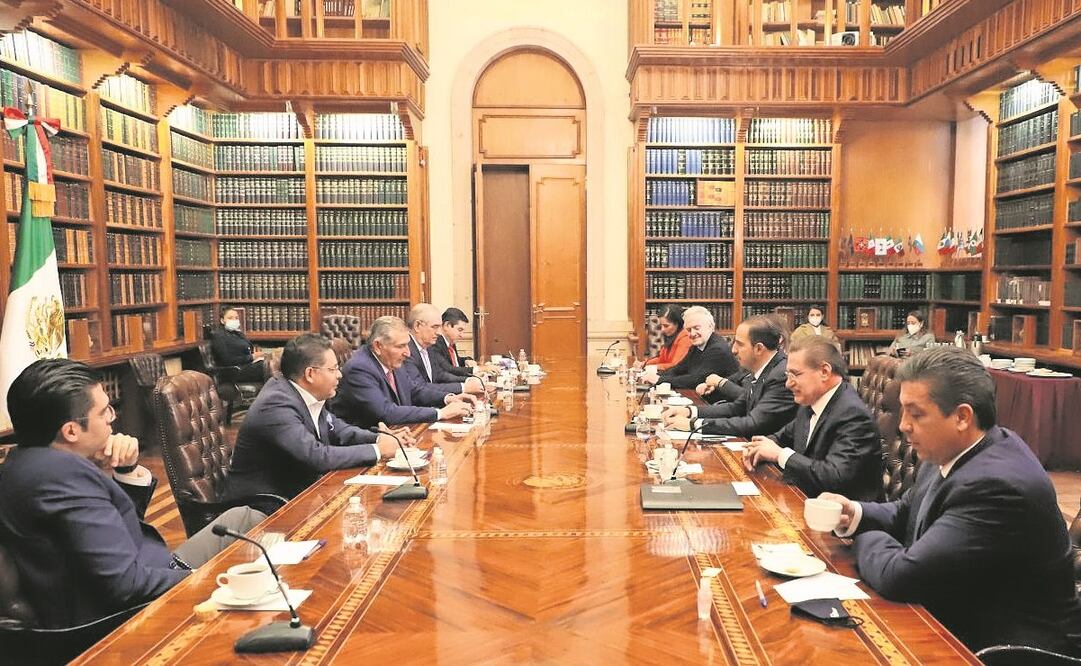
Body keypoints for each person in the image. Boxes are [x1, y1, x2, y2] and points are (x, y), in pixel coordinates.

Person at [820, 347, 1081, 655]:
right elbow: (908, 510)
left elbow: (900, 576)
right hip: (955, 613)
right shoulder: (954, 448)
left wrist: (862, 534)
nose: (903, 425)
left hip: (1003, 648)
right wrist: (855, 513)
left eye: (916, 414)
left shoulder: (997, 485)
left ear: (961, 416)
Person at [0, 359, 265, 629]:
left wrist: (125, 471)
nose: (112, 419)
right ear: (71, 430)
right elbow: (125, 586)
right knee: (257, 562)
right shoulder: (62, 478)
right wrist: (206, 576)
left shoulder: (25, 461)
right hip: (126, 616)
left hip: (146, 567)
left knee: (245, 517)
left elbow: (111, 534)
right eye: (104, 412)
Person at [225, 334, 414, 501]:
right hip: (263, 505)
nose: (340, 375)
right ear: (310, 374)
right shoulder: (276, 404)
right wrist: (378, 450)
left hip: (299, 491)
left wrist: (381, 438)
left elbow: (339, 430)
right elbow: (316, 456)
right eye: (333, 369)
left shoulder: (306, 393)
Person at [742, 336, 881, 501]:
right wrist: (757, 447)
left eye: (795, 374)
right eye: (788, 375)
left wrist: (780, 454)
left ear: (824, 372)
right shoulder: (812, 400)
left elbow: (833, 477)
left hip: (841, 520)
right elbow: (783, 436)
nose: (788, 384)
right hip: (804, 499)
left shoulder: (853, 415)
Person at [663, 315, 796, 438]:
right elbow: (736, 408)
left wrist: (693, 424)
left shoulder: (780, 375)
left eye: (740, 344)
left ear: (759, 349)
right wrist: (689, 411)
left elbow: (753, 424)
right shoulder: (762, 368)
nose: (733, 350)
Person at [333, 315, 475, 427]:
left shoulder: (391, 361)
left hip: (400, 433)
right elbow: (386, 412)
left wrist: (448, 398)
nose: (407, 353)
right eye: (400, 346)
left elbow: (415, 391)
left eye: (407, 345)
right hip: (370, 442)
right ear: (378, 346)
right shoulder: (359, 368)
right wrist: (440, 413)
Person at [645, 306, 739, 390]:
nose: (692, 334)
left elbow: (696, 379)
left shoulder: (717, 349)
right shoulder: (698, 344)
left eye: (696, 328)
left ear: (710, 326)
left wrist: (660, 380)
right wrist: (655, 375)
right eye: (689, 330)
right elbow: (679, 368)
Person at [405, 303, 485, 394]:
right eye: (435, 327)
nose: (439, 332)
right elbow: (420, 389)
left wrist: (469, 381)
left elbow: (440, 375)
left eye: (439, 327)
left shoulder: (428, 347)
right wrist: (463, 387)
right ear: (417, 326)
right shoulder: (407, 351)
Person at [208, 306, 266, 382]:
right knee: (267, 366)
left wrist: (256, 356)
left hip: (246, 366)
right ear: (222, 320)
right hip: (233, 371)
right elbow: (226, 360)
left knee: (271, 362)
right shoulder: (218, 336)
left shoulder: (239, 334)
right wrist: (251, 357)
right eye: (230, 318)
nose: (234, 320)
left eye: (236, 318)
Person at [635, 304, 691, 372]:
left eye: (666, 326)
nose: (662, 329)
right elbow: (662, 359)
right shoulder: (670, 336)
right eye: (661, 325)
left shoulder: (686, 338)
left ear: (678, 324)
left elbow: (676, 365)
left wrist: (652, 367)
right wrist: (644, 364)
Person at [432, 307, 476, 378]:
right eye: (460, 330)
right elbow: (448, 369)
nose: (461, 335)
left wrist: (466, 360)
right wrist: (477, 370)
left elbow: (455, 362)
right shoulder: (435, 343)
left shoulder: (450, 341)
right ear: (447, 325)